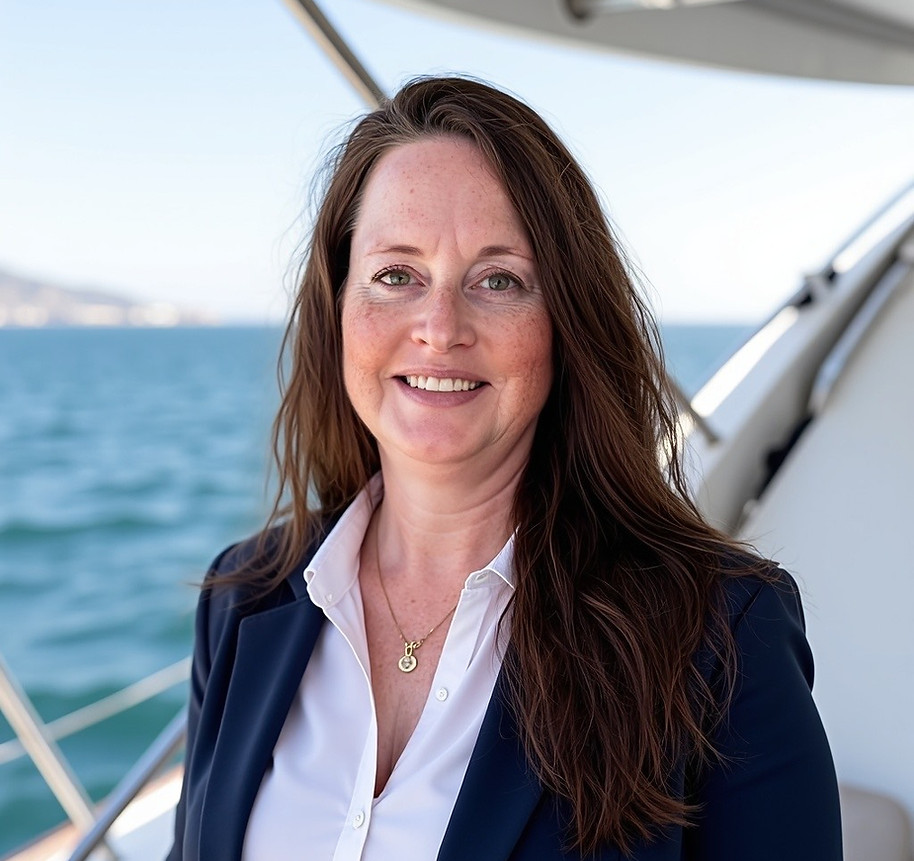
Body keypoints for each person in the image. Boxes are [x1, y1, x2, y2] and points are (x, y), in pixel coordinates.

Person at [167, 76, 842, 860]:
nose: (439, 328)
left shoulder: (722, 632)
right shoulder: (244, 599)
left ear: (565, 323)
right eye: (396, 275)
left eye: (498, 280)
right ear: (338, 307)